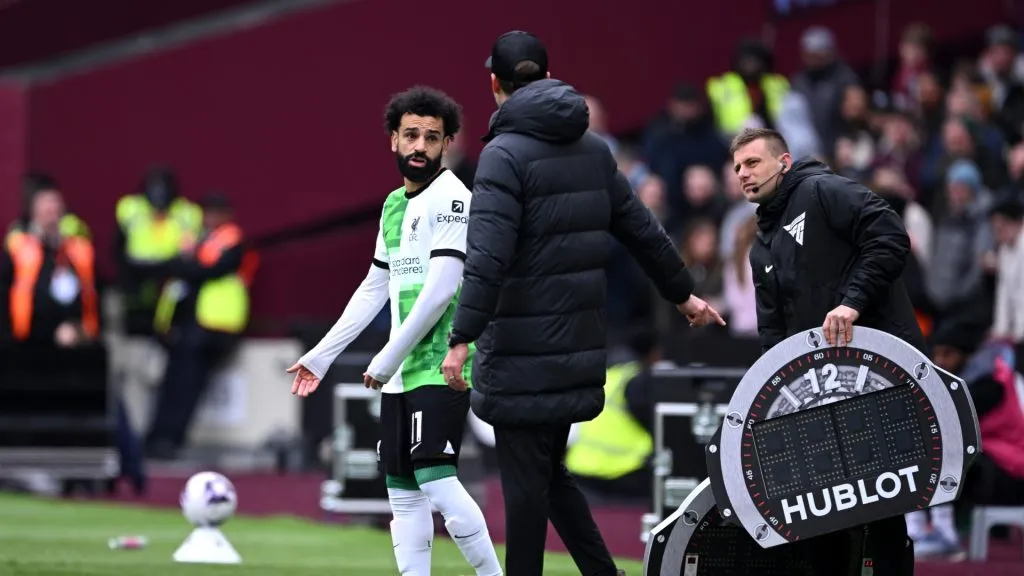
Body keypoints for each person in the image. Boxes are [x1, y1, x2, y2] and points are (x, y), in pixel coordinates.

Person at [440, 31, 723, 576]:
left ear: (494, 83)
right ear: (547, 77)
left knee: (525, 487)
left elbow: (487, 257)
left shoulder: (501, 155)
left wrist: (461, 335)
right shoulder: (595, 149)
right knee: (549, 476)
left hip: (520, 353)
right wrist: (684, 293)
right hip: (577, 349)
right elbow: (643, 230)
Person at [287, 87, 502, 576]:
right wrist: (321, 356)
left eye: (431, 136)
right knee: (401, 491)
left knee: (437, 481)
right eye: (411, 135)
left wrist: (386, 356)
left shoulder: (453, 199)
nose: (420, 146)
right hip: (404, 370)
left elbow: (441, 290)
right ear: (393, 141)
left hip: (440, 364)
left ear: (448, 143)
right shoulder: (392, 205)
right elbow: (373, 288)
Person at [731, 127, 920, 575]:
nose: (743, 174)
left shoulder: (822, 191)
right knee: (817, 515)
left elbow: (891, 236)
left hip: (879, 377)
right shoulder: (761, 244)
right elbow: (771, 333)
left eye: (753, 162)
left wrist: (852, 302)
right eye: (737, 167)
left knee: (884, 509)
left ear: (784, 161)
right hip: (817, 396)